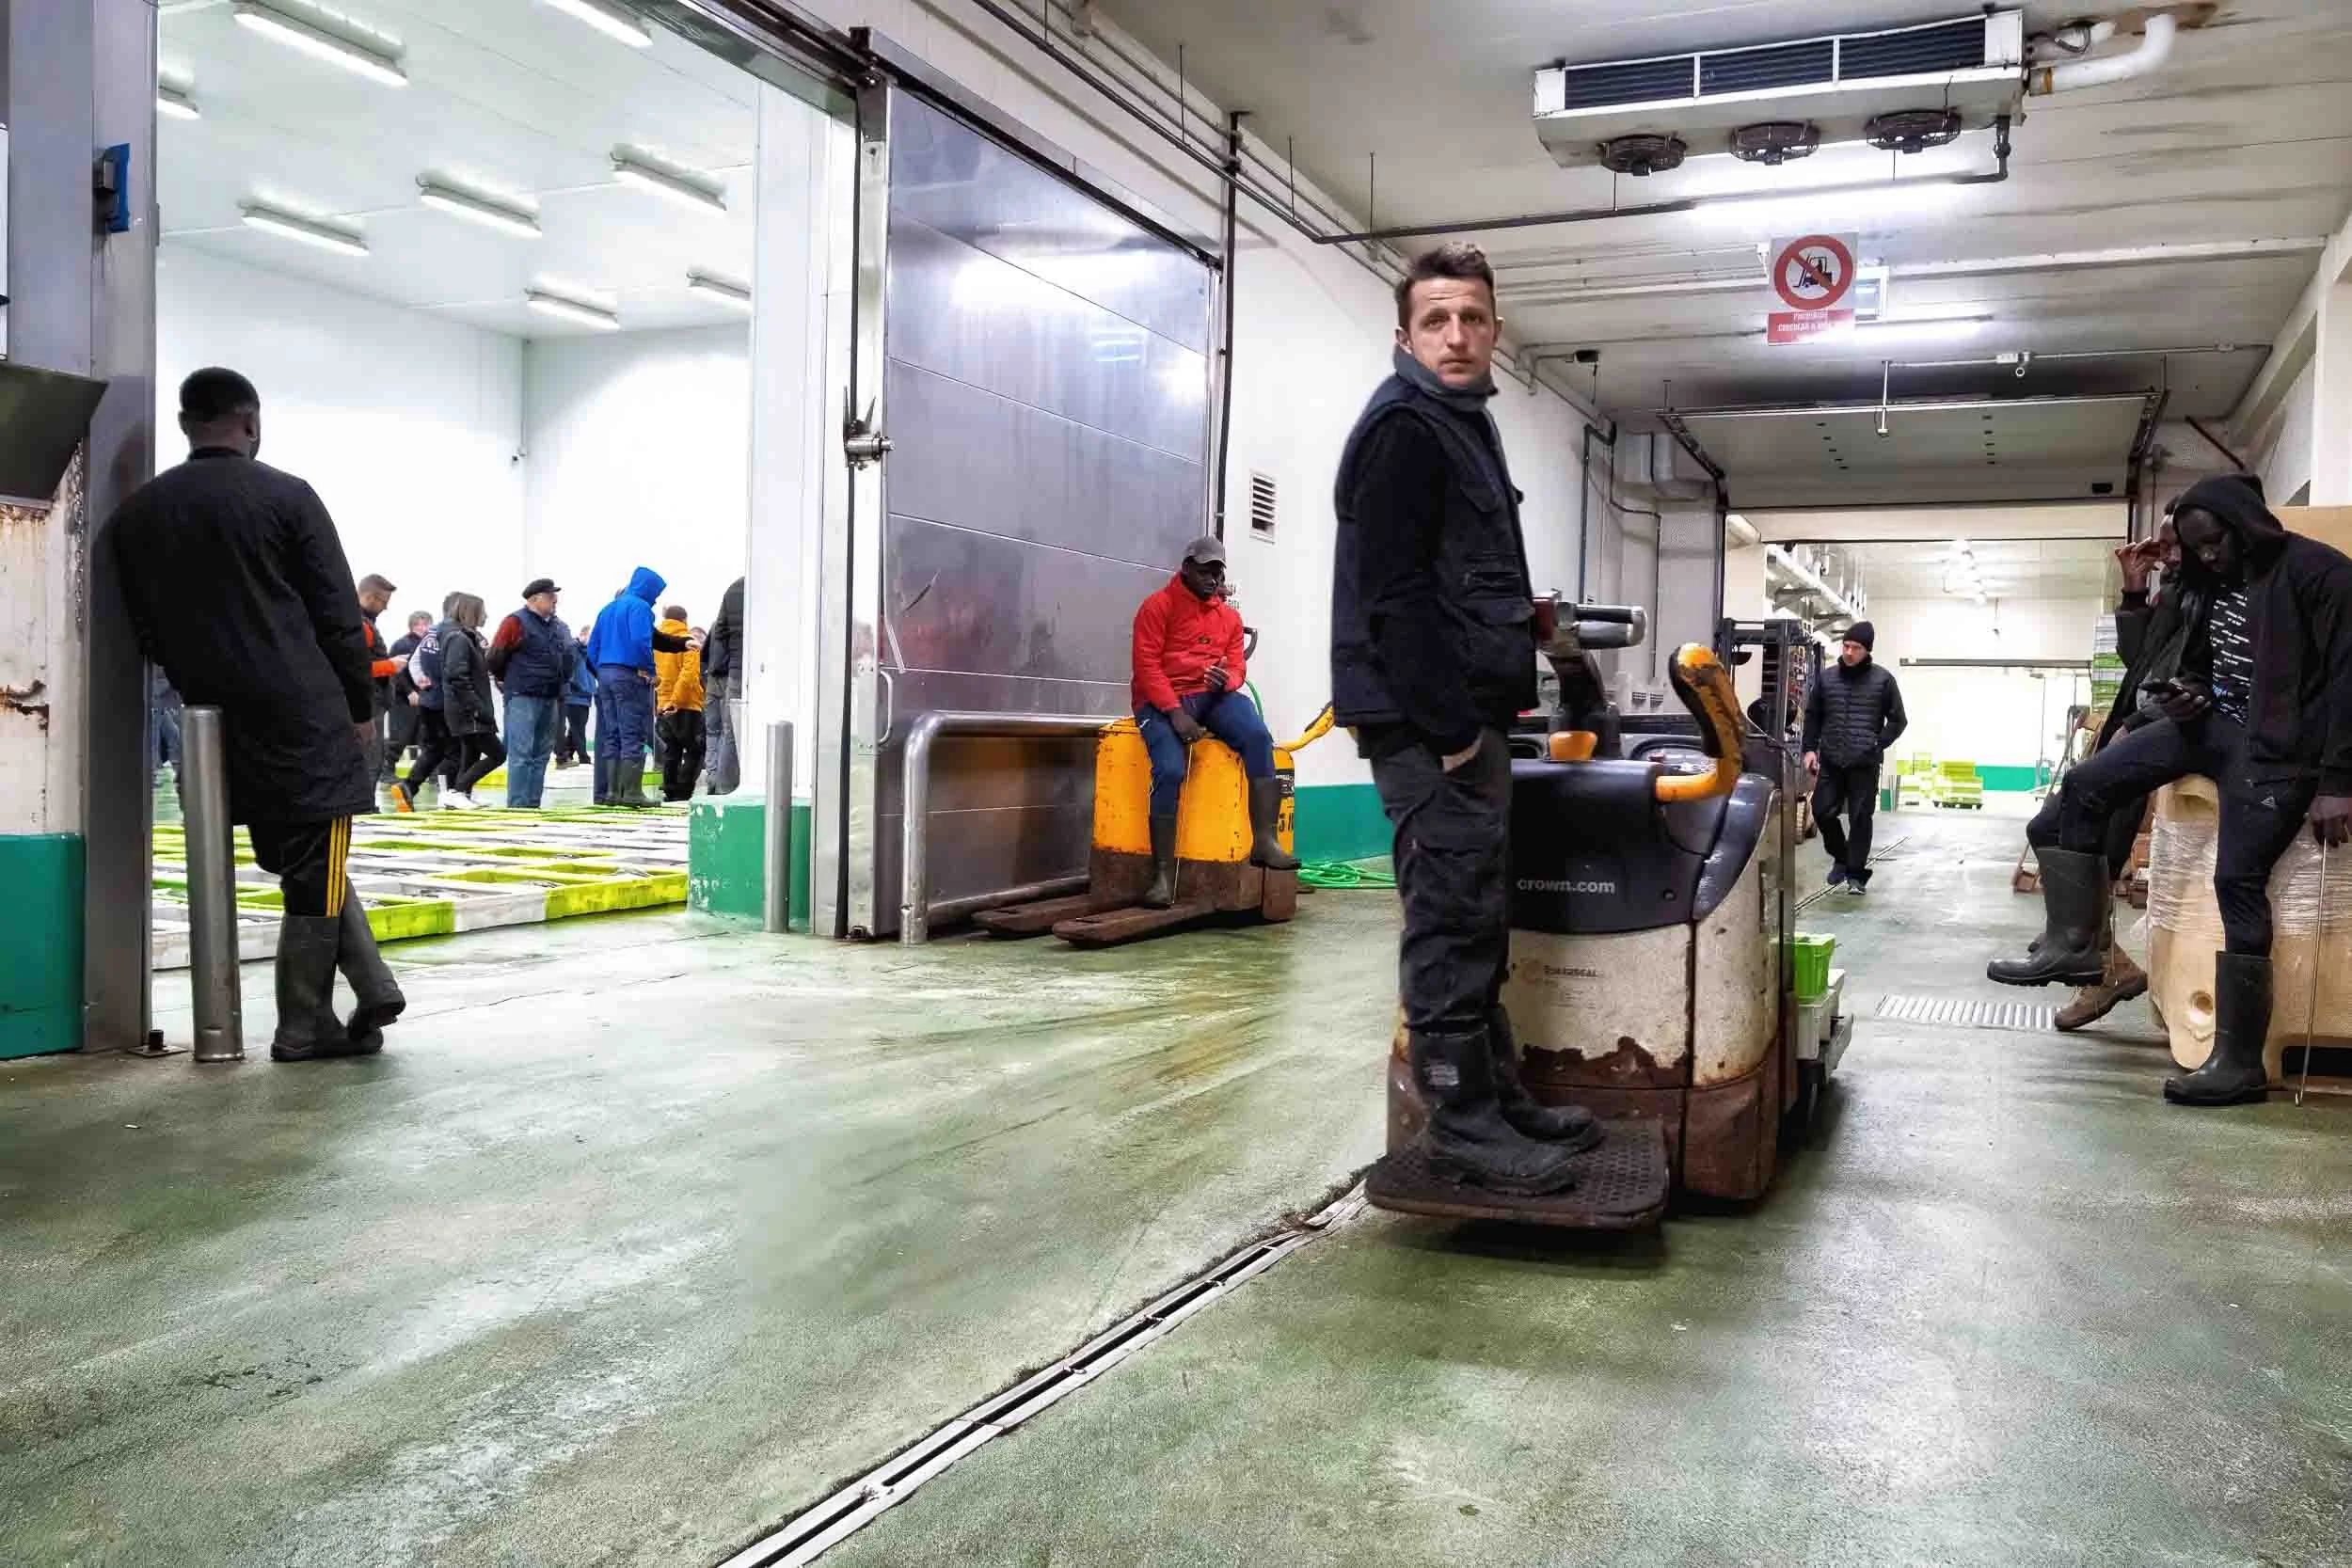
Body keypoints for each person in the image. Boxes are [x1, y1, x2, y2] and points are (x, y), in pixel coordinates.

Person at [1330, 242, 1600, 1196]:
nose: (1456, 335)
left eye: (1472, 318)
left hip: (1469, 713)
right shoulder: (1404, 427)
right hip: (1427, 725)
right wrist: (1449, 729)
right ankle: (1461, 1121)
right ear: (1404, 333)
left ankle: (1496, 1094)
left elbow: (1455, 580)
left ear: (1494, 330)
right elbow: (1392, 598)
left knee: (1477, 911)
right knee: (1449, 916)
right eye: (1435, 319)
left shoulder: (1458, 421)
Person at [1988, 475, 2352, 1106]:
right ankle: (2075, 943)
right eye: (2196, 547)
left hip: (2278, 752)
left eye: (2214, 543)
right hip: (2209, 726)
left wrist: (2338, 781)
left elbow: (2351, 677)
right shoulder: (2210, 582)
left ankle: (2238, 1061)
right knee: (2085, 784)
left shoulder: (2320, 573)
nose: (2207, 557)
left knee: (2237, 882)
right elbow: (2199, 660)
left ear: (2244, 524)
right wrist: (2191, 691)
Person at [107, 367, 404, 1062]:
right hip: (302, 714)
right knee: (316, 856)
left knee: (302, 859)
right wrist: (359, 707)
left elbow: (142, 628)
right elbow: (337, 612)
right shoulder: (287, 497)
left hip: (210, 722)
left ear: (185, 424)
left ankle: (373, 982)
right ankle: (305, 1022)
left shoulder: (137, 515)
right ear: (251, 421)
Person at [2024, 522, 2200, 1030]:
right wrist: (2133, 590)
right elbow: (2141, 665)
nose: (2162, 554)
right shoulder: (2177, 593)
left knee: (2099, 853)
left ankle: (2092, 959)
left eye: (2171, 545)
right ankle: (2091, 947)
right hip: (2132, 729)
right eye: (2161, 545)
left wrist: (2139, 725)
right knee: (2047, 831)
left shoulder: (2210, 594)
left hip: (2158, 736)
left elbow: (2187, 680)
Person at [1130, 535, 1297, 907]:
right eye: (1205, 570)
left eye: (1218, 571)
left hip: (1210, 695)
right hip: (1159, 701)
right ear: (1187, 568)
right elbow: (1146, 667)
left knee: (1257, 736)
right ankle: (1161, 877)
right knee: (1170, 770)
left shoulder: (1229, 618)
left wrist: (1230, 680)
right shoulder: (1157, 607)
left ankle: (1265, 842)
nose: (1212, 578)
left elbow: (1237, 664)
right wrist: (1175, 714)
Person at [1802, 621, 1907, 894]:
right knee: (1822, 811)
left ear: (1867, 650)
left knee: (1861, 817)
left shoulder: (1883, 680)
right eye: (1846, 646)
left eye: (1856, 648)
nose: (1849, 652)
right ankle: (1842, 857)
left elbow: (1898, 720)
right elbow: (1813, 715)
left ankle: (1856, 875)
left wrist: (1877, 743)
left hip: (1865, 762)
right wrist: (1810, 749)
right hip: (1832, 759)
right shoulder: (1827, 678)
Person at [584, 566, 691, 808]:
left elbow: (591, 649)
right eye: (655, 592)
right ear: (648, 588)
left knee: (612, 734)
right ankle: (631, 792)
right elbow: (642, 641)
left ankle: (612, 793)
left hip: (606, 676)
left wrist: (601, 673)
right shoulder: (640, 608)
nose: (655, 599)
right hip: (629, 676)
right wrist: (650, 671)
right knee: (632, 733)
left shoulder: (608, 609)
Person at [487, 578, 575, 809]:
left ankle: (532, 804)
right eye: (550, 596)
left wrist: (563, 680)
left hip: (550, 696)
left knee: (541, 754)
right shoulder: (515, 622)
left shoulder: (559, 626)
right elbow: (495, 656)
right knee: (522, 753)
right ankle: (518, 806)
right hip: (522, 695)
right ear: (534, 599)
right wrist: (505, 680)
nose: (555, 600)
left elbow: (569, 657)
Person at [419, 594, 505, 809]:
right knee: (498, 754)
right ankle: (456, 791)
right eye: (482, 611)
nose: (486, 616)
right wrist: (476, 707)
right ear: (472, 612)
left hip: (467, 708)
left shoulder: (468, 638)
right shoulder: (458, 638)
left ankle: (462, 793)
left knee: (471, 753)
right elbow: (456, 676)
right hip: (468, 711)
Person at [655, 604, 707, 803]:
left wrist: (664, 701)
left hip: (663, 704)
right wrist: (675, 701)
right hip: (686, 705)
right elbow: (689, 675)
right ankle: (683, 792)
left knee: (672, 749)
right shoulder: (688, 642)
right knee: (695, 750)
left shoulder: (657, 642)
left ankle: (669, 790)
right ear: (684, 620)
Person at [702, 574, 744, 795]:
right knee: (734, 731)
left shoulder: (733, 589)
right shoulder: (766, 588)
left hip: (724, 675)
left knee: (721, 731)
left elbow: (719, 633)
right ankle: (729, 785)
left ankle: (717, 782)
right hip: (742, 670)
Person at [357, 574, 401, 784]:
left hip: (371, 701)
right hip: (368, 702)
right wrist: (391, 665)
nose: (385, 608)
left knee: (373, 757)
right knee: (371, 757)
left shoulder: (362, 623)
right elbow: (355, 668)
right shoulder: (361, 626)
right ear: (370, 597)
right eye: (384, 601)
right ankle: (365, 808)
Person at [387, 609, 431, 778]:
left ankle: (429, 774)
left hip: (425, 698)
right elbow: (396, 672)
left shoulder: (429, 645)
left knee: (426, 738)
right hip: (403, 699)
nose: (422, 627)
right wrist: (410, 692)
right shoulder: (402, 644)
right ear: (411, 626)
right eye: (418, 624)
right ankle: (387, 770)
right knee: (400, 737)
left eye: (426, 623)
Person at [556, 623, 596, 770]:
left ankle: (568, 754)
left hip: (584, 696)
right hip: (575, 696)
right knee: (578, 728)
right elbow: (568, 670)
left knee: (576, 728)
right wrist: (578, 686)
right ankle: (583, 757)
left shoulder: (588, 654)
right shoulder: (574, 649)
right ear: (583, 634)